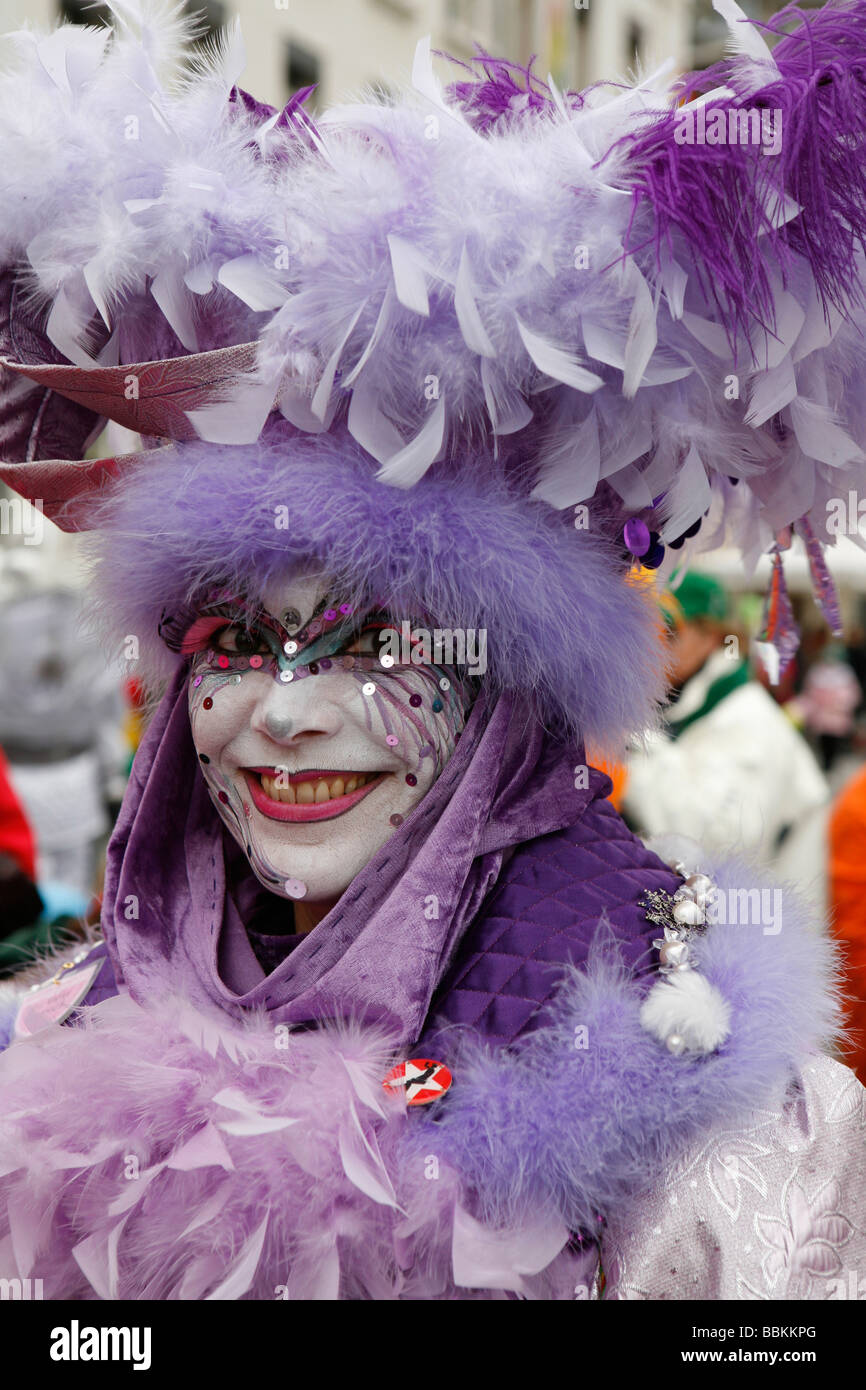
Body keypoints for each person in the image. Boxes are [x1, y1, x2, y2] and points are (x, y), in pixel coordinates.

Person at [0, 0, 864, 1301]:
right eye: (233, 640)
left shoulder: (704, 1097)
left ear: (500, 697)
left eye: (378, 645)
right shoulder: (63, 1031)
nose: (285, 714)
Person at [624, 572, 829, 870]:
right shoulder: (687, 705)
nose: (650, 646)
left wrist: (629, 752)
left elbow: (718, 845)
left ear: (710, 637)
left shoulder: (748, 719)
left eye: (667, 631)